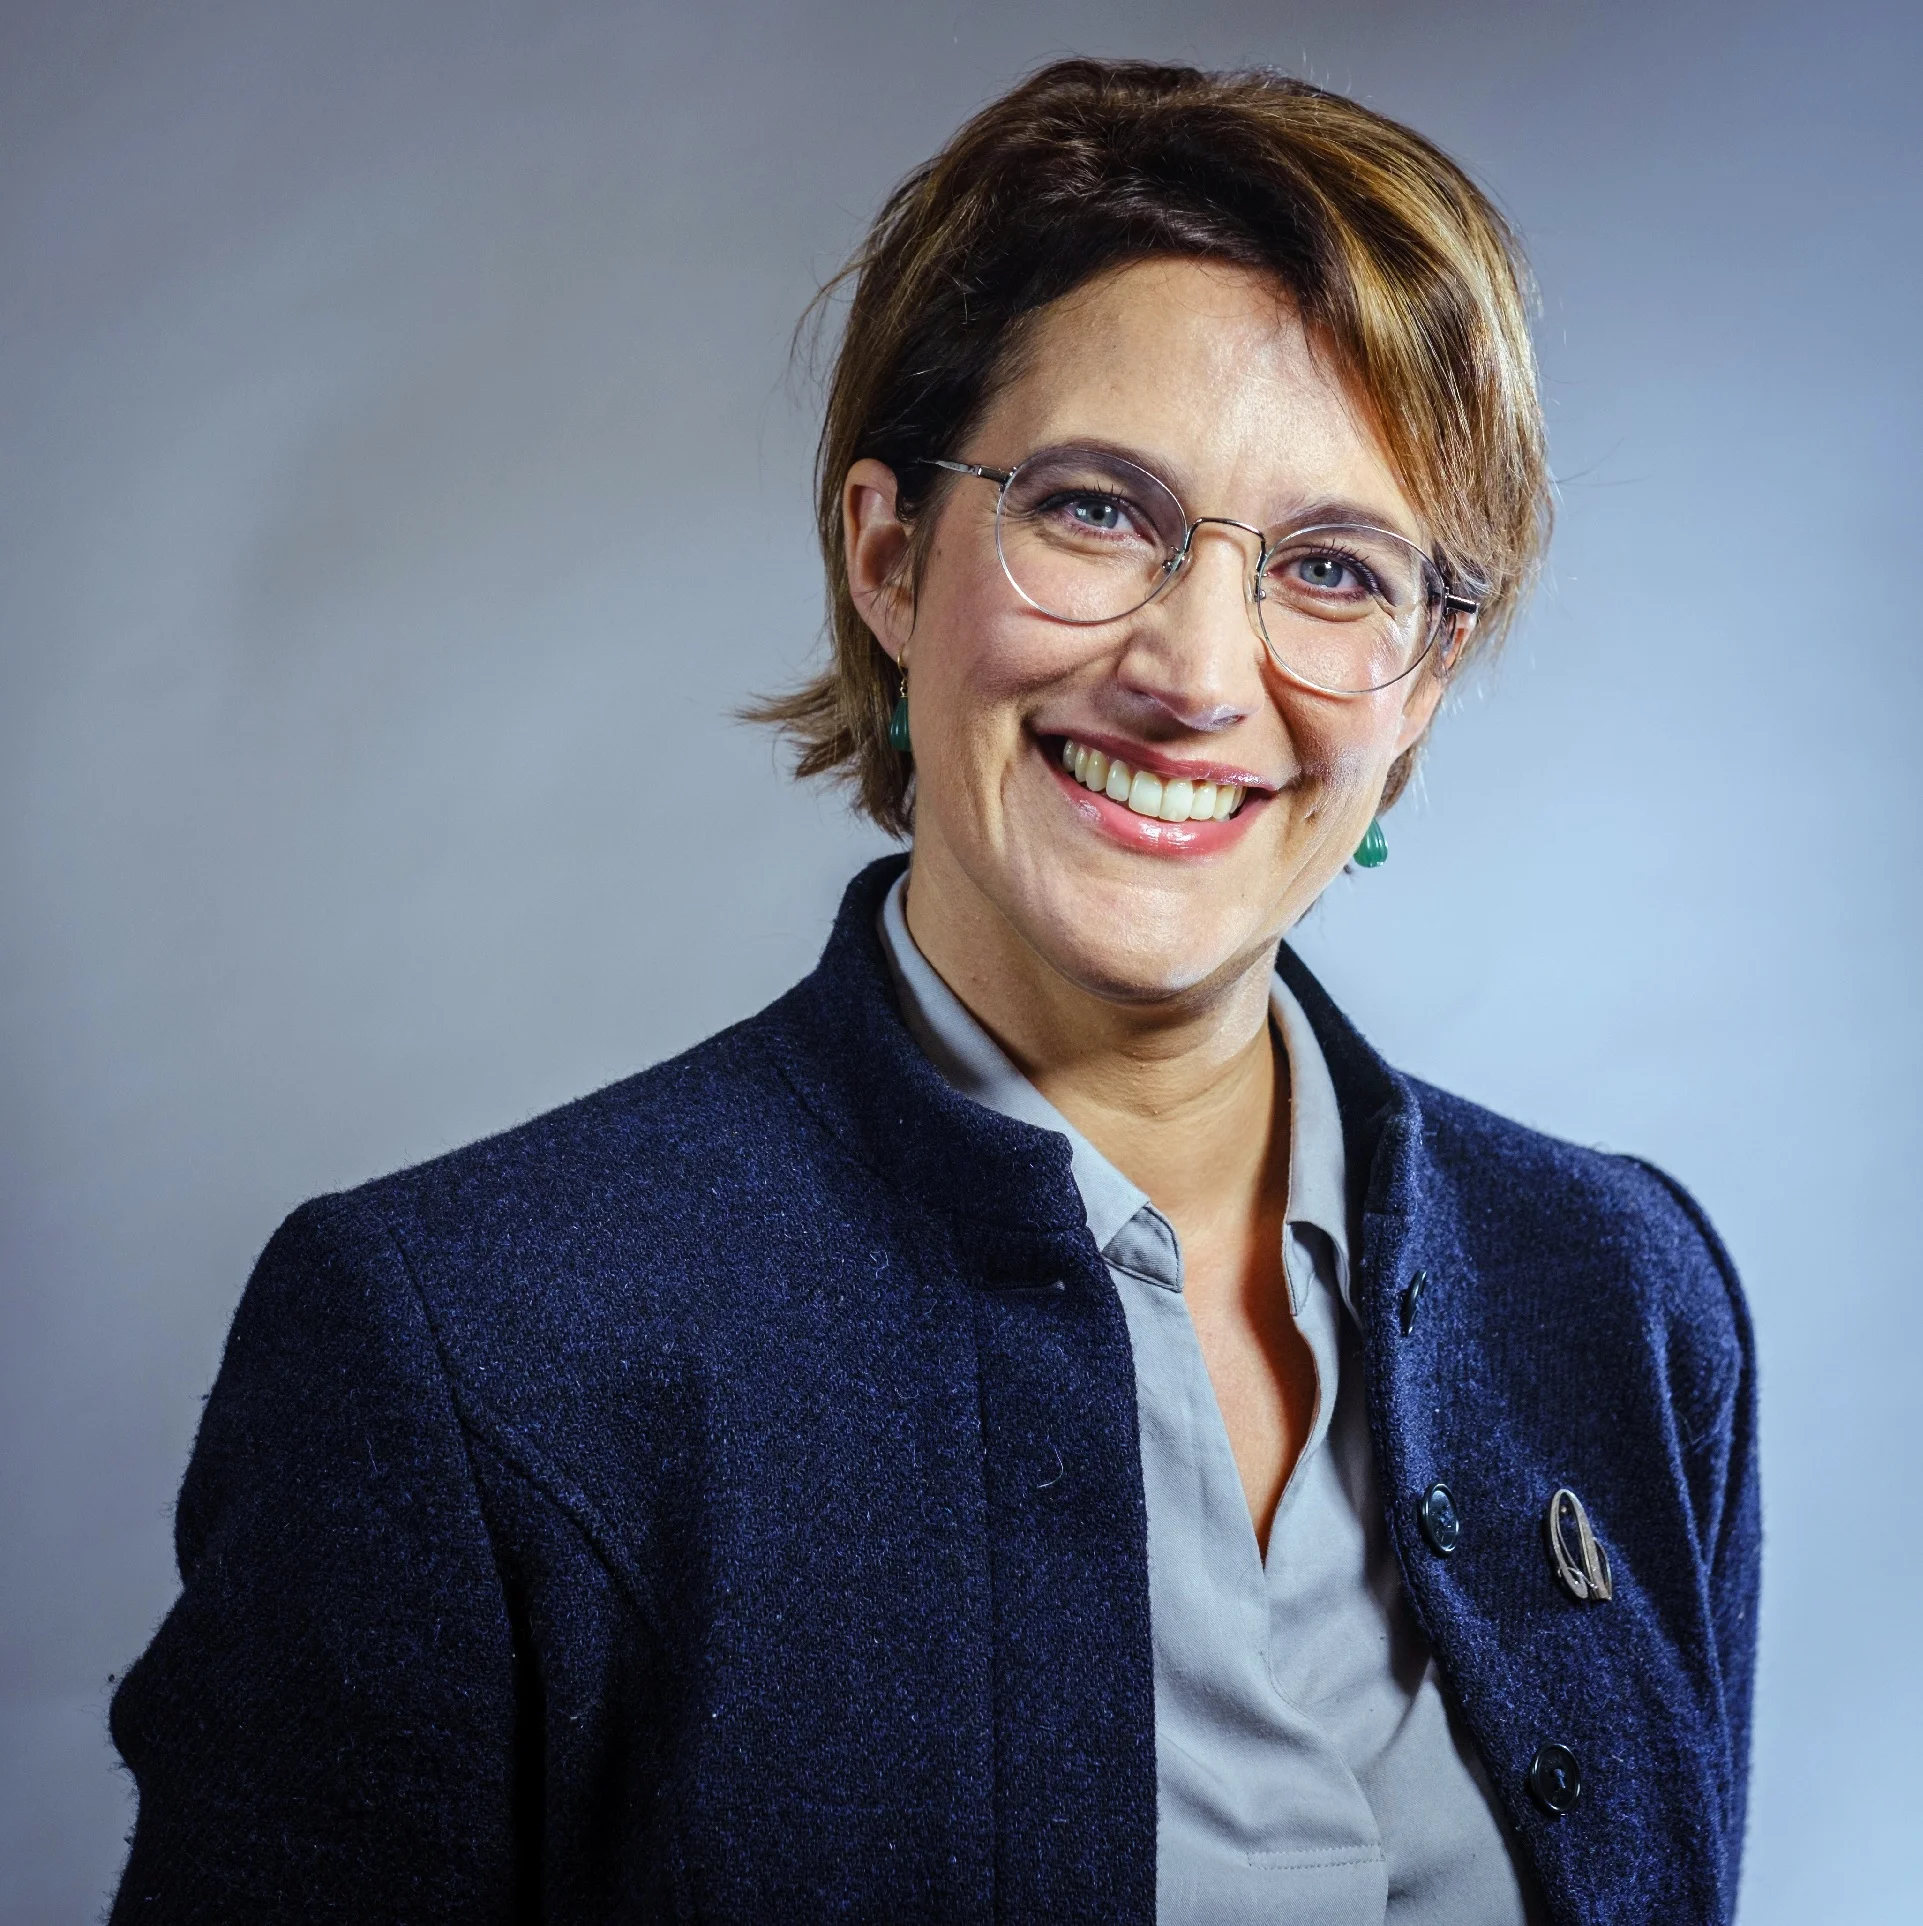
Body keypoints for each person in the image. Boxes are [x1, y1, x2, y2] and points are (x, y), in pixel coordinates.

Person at [108, 58, 1758, 1926]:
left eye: (1329, 568)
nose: (1197, 674)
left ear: (1421, 684)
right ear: (889, 558)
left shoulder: (1619, 1297)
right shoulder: (465, 1350)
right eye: (1097, 511)